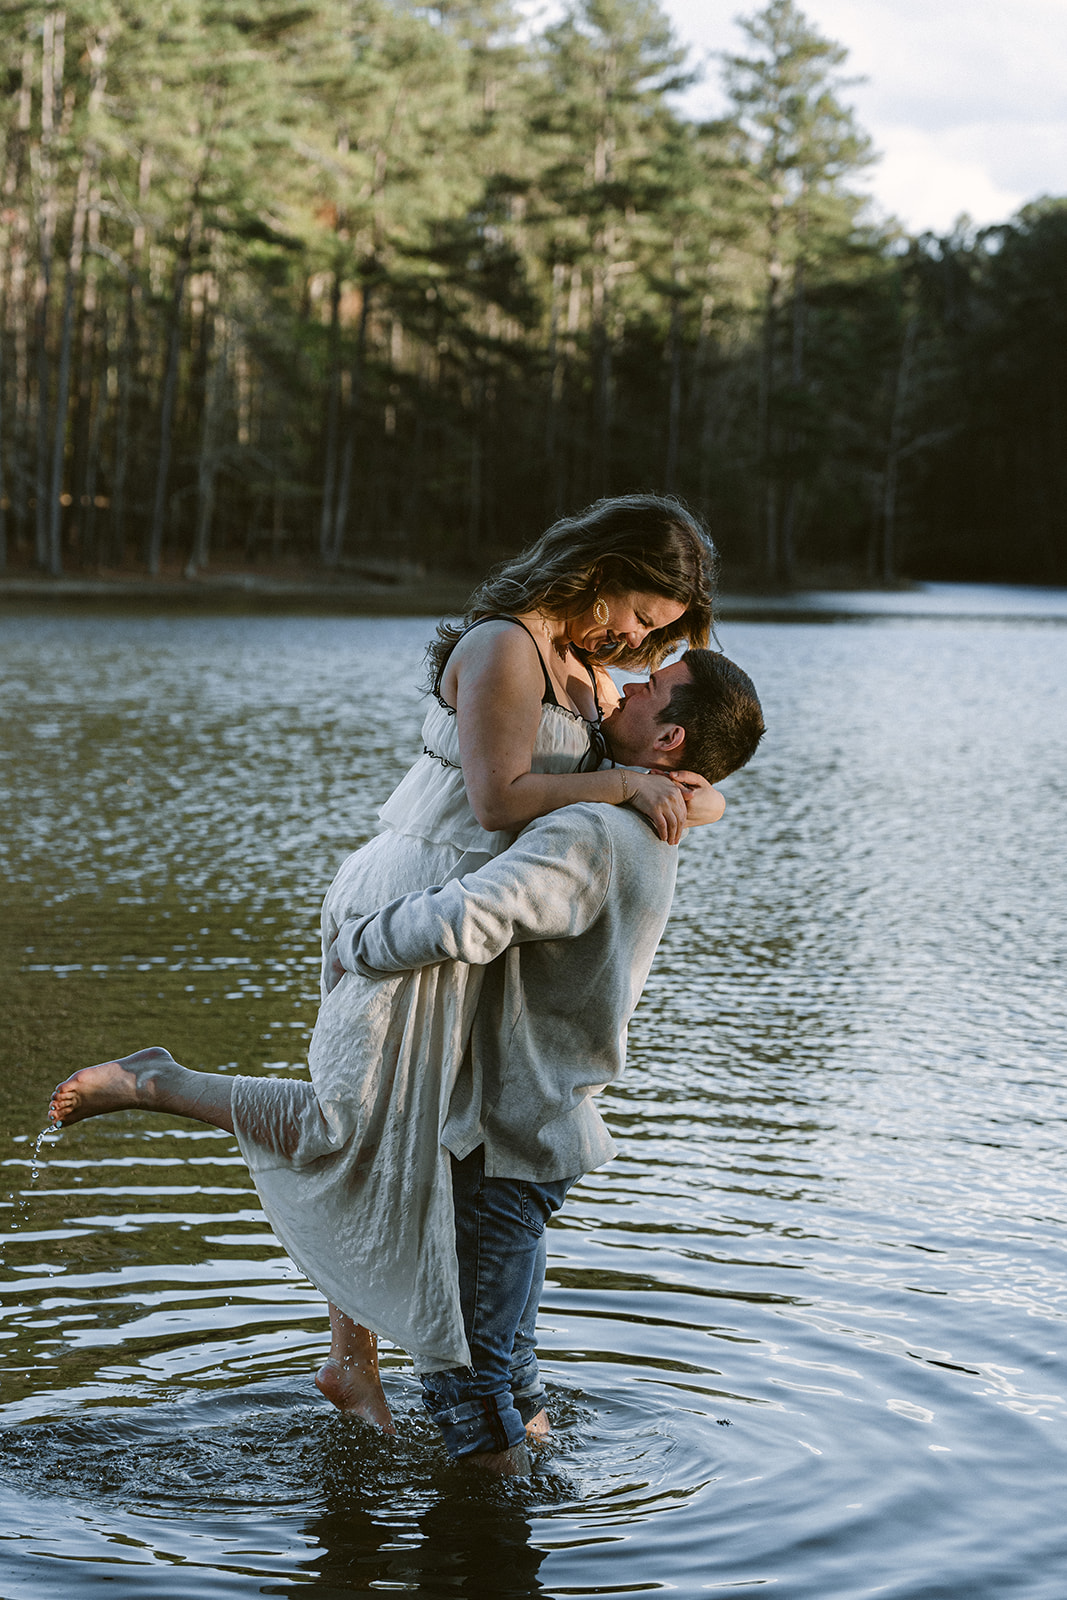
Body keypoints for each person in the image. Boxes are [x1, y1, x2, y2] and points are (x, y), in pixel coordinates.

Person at [51, 494, 721, 1433]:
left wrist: (681, 795)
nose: (637, 641)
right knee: (348, 1125)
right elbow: (497, 801)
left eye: (658, 634)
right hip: (414, 899)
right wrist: (627, 783)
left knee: (413, 1137)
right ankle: (156, 1082)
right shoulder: (505, 646)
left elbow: (690, 777)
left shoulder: (582, 666)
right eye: (640, 614)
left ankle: (350, 1363)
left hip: (476, 921)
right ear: (601, 569)